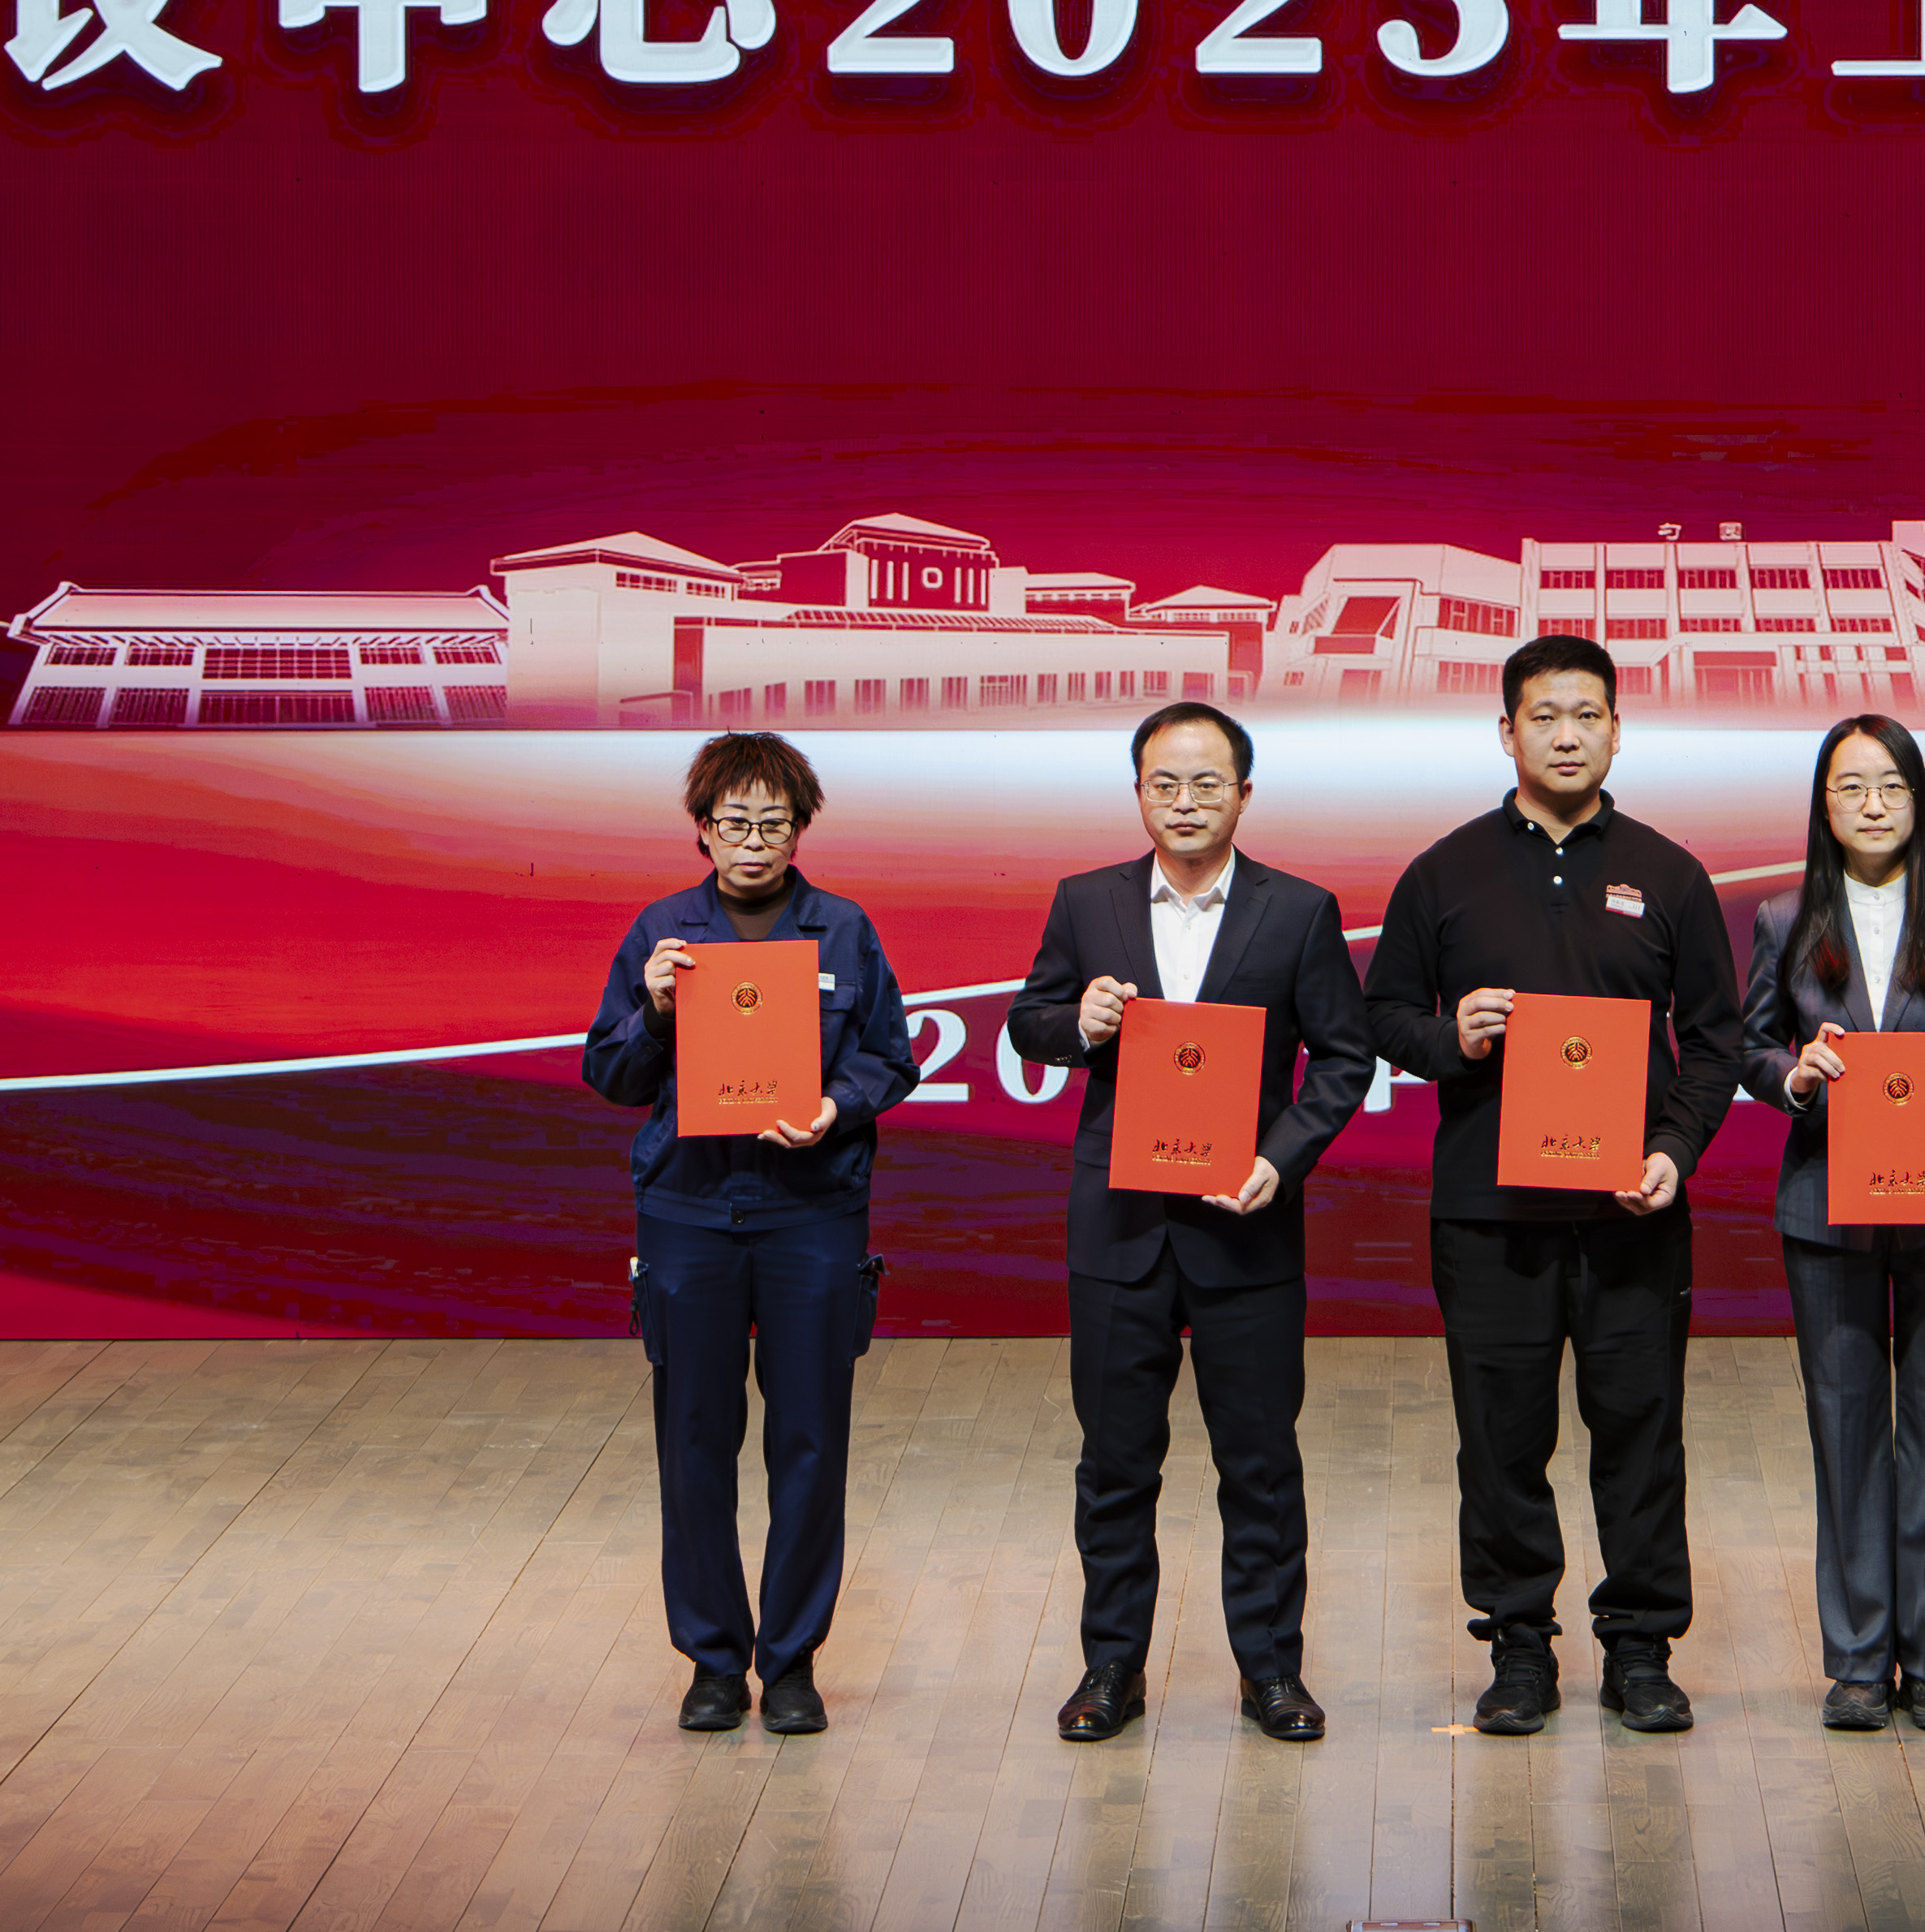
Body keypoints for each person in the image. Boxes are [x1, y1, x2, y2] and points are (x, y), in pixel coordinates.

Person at [1365, 633, 1744, 1736]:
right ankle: (1518, 1646)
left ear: (1617, 730)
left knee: (1641, 1432)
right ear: (1506, 732)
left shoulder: (1670, 873)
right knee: (1499, 1438)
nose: (1566, 735)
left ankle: (1640, 1649)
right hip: (1489, 1216)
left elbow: (1714, 1041)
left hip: (1631, 1212)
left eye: (1587, 715)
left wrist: (1674, 1149)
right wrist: (1452, 1037)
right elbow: (1382, 1014)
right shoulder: (1444, 872)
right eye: (1544, 716)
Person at [1003, 701, 1375, 1745]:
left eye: (1207, 783)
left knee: (1259, 1464)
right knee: (1116, 1463)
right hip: (1119, 1230)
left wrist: (1278, 1160)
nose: (1185, 802)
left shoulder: (1299, 911)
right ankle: (1111, 1667)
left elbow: (1344, 1059)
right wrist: (1076, 1025)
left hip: (1244, 1226)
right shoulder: (1087, 901)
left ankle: (1271, 1670)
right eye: (1164, 783)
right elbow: (1029, 1020)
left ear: (1244, 795)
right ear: (1138, 792)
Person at [584, 730, 921, 1736]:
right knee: (694, 1438)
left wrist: (835, 1106)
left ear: (800, 828)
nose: (755, 842)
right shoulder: (663, 931)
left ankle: (794, 1659)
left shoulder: (844, 930)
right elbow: (610, 1075)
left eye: (774, 824)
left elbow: (891, 1059)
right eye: (735, 823)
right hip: (689, 1213)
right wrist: (653, 1011)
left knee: (810, 1437)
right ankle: (713, 1660)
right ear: (702, 828)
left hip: (811, 1213)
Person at [1740, 714, 1925, 1732]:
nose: (1873, 805)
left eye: (1892, 786)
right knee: (1846, 1432)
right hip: (1827, 1209)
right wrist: (1797, 1074)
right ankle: (1862, 1660)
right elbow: (1748, 1047)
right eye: (1852, 787)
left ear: (1919, 800)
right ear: (1823, 804)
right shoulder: (1784, 918)